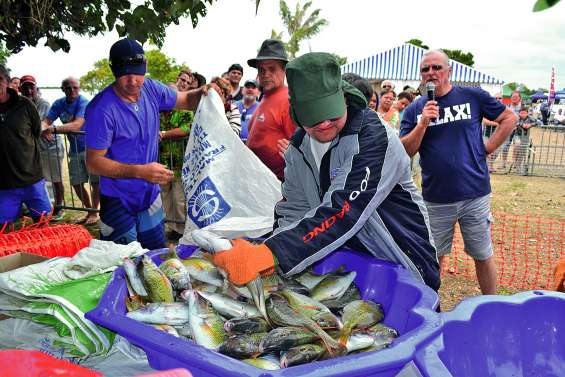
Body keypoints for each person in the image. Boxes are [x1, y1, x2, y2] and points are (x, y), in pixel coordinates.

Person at [198, 52, 441, 293]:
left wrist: (270, 254)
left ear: (345, 99)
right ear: (296, 113)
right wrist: (269, 252)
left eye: (331, 113)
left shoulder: (374, 138)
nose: (324, 123)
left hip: (405, 264)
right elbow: (294, 209)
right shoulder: (297, 150)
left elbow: (344, 209)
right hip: (351, 268)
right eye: (313, 117)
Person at [400, 50, 517, 295]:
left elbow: (508, 118)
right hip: (436, 198)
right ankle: (430, 306)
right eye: (425, 69)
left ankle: (491, 305)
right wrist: (423, 123)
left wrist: (488, 148)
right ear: (421, 75)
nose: (431, 73)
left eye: (436, 67)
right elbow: (405, 151)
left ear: (449, 71)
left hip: (474, 193)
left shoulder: (472, 96)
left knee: (482, 255)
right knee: (434, 258)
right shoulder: (415, 109)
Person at [84, 38, 217, 250]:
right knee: (124, 260)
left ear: (144, 67)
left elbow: (185, 99)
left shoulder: (152, 89)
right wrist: (140, 172)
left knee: (157, 251)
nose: (132, 80)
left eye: (137, 72)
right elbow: (93, 162)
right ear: (112, 70)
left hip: (150, 195)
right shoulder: (101, 108)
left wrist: (203, 93)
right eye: (123, 73)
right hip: (118, 199)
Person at [42, 77, 100, 225]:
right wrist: (42, 128)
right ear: (63, 89)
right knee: (76, 182)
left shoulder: (83, 102)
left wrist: (52, 129)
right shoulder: (59, 103)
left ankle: (94, 213)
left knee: (95, 182)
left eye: (75, 87)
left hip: (92, 147)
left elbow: (77, 125)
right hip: (74, 148)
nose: (72, 90)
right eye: (68, 88)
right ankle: (90, 211)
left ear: (79, 88)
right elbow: (47, 120)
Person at [0, 65, 52, 224]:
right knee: (5, 233)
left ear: (7, 82)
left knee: (43, 224)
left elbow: (36, 132)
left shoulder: (25, 105)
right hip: (4, 184)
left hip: (33, 180)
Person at [246, 39, 297, 181]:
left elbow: (301, 149)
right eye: (261, 69)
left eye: (272, 69)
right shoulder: (265, 98)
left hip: (277, 187)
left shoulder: (289, 101)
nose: (265, 74)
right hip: (258, 182)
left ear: (284, 71)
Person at [19, 75, 65, 220]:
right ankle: (43, 208)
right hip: (37, 148)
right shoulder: (20, 104)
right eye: (25, 87)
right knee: (41, 179)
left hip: (52, 147)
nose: (29, 90)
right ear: (20, 89)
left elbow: (38, 126)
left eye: (31, 87)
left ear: (36, 88)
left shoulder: (43, 103)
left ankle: (59, 207)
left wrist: (33, 127)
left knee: (56, 178)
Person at [159, 71, 195, 241]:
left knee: (179, 198)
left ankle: (180, 229)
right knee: (165, 196)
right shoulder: (157, 110)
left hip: (180, 161)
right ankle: (170, 226)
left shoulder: (185, 109)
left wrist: (164, 134)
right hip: (161, 161)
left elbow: (187, 128)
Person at [512, 106, 540, 175]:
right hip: (517, 135)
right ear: (519, 113)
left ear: (527, 113)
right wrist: (522, 125)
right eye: (521, 113)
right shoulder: (517, 118)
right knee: (517, 145)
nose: (523, 114)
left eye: (524, 113)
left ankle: (518, 166)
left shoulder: (530, 118)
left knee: (523, 151)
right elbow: (515, 122)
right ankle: (514, 161)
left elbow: (539, 122)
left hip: (525, 137)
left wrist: (530, 125)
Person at [482, 93, 504, 172]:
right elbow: (484, 121)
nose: (498, 99)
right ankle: (488, 166)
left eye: (500, 98)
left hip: (498, 135)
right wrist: (497, 123)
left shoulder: (505, 109)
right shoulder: (487, 107)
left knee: (496, 151)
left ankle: (490, 165)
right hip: (487, 134)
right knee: (487, 151)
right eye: (496, 98)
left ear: (502, 99)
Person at [500, 90, 521, 169]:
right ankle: (503, 163)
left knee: (517, 145)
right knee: (505, 146)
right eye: (513, 97)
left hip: (518, 131)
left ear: (520, 98)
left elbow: (529, 118)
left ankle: (514, 162)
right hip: (507, 130)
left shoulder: (524, 107)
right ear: (510, 98)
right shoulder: (506, 106)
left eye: (516, 97)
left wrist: (520, 125)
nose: (514, 98)